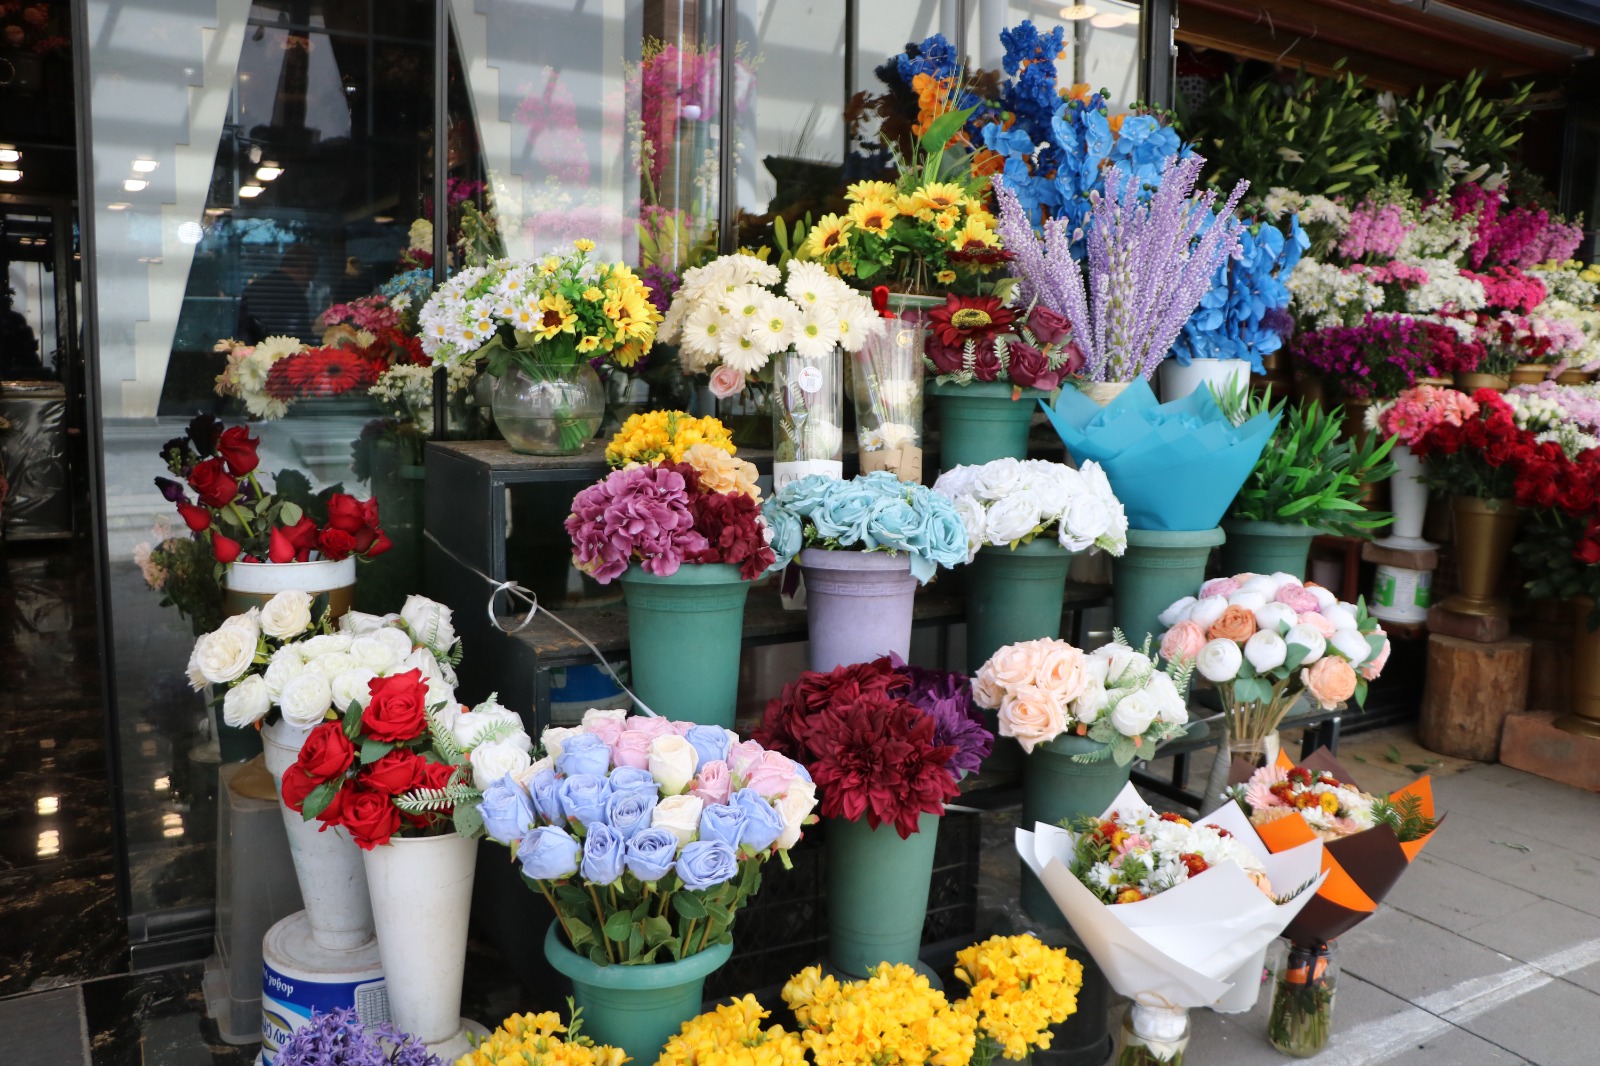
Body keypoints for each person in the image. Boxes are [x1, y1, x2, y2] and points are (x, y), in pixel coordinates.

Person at [236, 243, 317, 343]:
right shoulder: (296, 298)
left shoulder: (251, 289)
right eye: (309, 279)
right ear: (304, 269)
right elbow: (300, 343)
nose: (308, 285)